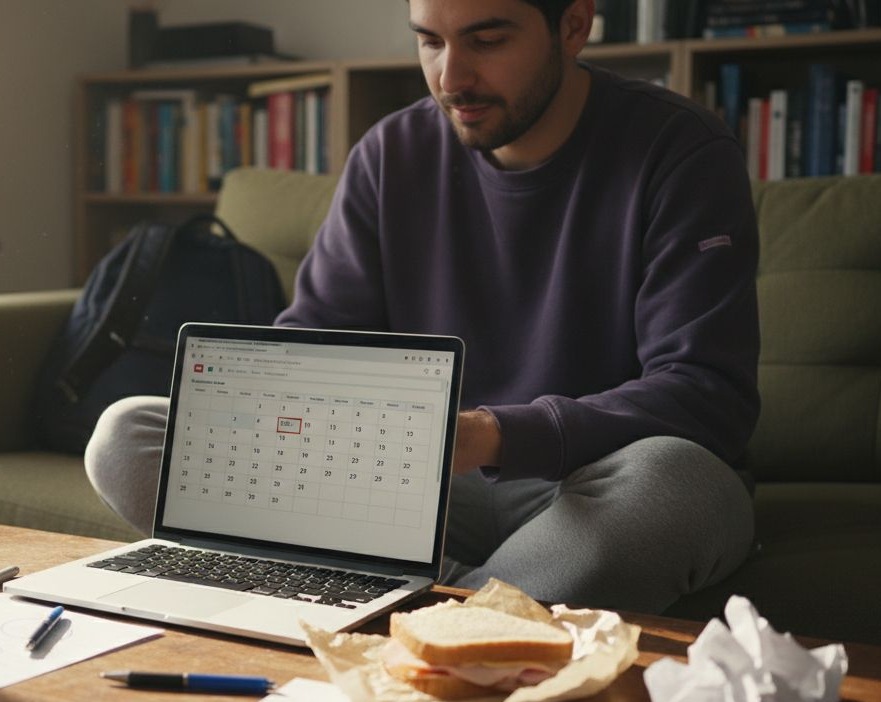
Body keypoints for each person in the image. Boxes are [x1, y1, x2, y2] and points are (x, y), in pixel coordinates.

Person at [85, 0, 759, 614]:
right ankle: (476, 615)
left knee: (677, 486)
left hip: (591, 480)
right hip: (411, 484)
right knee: (130, 435)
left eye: (487, 41)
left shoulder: (681, 150)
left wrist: (488, 434)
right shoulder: (390, 153)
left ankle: (395, 603)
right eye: (430, 42)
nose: (451, 76)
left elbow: (705, 394)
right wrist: (272, 412)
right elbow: (317, 341)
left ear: (574, 25)